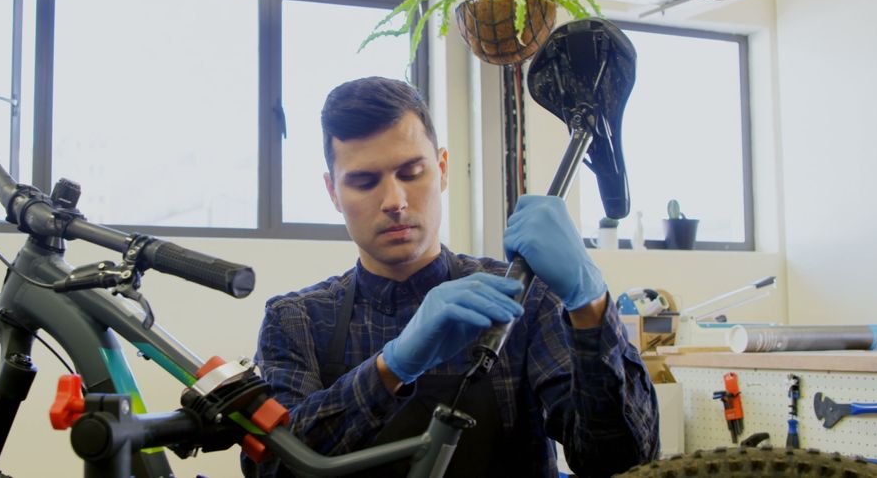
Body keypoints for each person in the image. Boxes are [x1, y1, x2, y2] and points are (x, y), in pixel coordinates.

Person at [247, 77, 659, 477]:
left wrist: (591, 305)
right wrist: (390, 367)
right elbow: (274, 468)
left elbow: (618, 460)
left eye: (411, 173)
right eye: (364, 181)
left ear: (442, 169)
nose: (394, 201)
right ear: (333, 192)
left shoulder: (523, 297)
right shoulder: (296, 320)